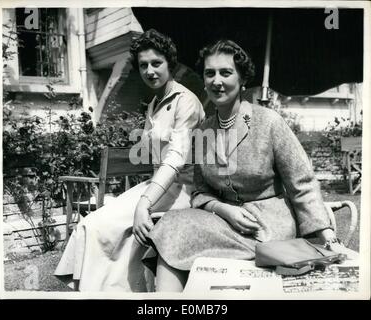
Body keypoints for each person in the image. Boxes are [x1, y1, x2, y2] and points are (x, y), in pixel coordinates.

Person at [145, 39, 354, 292]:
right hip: (225, 224)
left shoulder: (269, 122)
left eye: (226, 72)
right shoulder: (203, 130)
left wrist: (329, 238)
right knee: (172, 225)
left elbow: (303, 184)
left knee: (174, 232)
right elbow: (199, 192)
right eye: (209, 73)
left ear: (242, 79)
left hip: (268, 228)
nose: (216, 81)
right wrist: (224, 209)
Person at [54, 29, 205, 292]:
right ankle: (103, 289)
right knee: (91, 224)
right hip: (158, 185)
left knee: (104, 227)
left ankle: (116, 290)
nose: (149, 71)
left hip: (184, 189)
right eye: (143, 65)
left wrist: (143, 203)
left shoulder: (186, 102)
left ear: (171, 64)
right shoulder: (154, 104)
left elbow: (177, 157)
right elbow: (154, 155)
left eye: (156, 63)